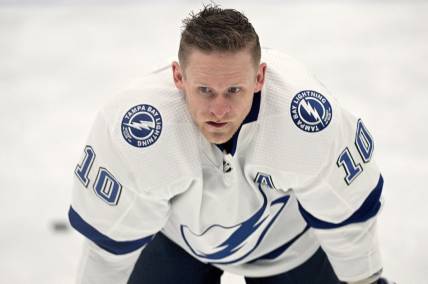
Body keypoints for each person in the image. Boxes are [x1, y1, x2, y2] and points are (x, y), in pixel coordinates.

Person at [69, 4, 393, 284]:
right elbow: (107, 245)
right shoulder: (138, 129)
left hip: (287, 246)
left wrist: (363, 278)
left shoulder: (306, 119)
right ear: (178, 77)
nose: (219, 111)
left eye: (234, 90)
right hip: (174, 241)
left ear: (259, 77)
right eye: (205, 90)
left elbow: (348, 209)